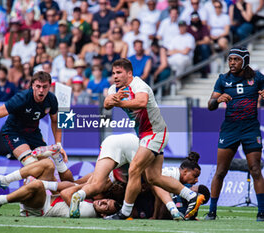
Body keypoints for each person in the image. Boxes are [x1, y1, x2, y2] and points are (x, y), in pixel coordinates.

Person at [100, 58, 204, 220]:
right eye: (113, 73)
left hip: (155, 132)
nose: (115, 76)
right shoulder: (115, 88)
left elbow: (142, 102)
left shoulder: (139, 85)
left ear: (129, 73)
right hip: (145, 135)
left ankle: (124, 213)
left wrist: (119, 103)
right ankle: (191, 195)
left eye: (119, 72)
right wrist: (112, 99)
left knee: (134, 169)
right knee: (153, 178)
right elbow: (106, 104)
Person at [0, 71, 72, 181]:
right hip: (13, 132)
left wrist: (59, 144)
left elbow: (55, 121)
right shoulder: (22, 98)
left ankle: (56, 194)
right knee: (35, 165)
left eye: (44, 87)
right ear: (32, 86)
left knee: (48, 167)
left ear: (49, 86)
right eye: (38, 86)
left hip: (33, 133)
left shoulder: (52, 99)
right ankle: (6, 180)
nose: (41, 90)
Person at [206, 47, 264, 222]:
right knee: (220, 171)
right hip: (230, 129)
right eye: (230, 59)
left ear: (244, 61)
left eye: (236, 59)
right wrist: (217, 100)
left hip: (250, 128)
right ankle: (212, 212)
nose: (232, 62)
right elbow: (210, 105)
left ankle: (261, 212)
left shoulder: (258, 78)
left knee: (255, 169)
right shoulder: (223, 79)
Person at [0, 158, 119, 218]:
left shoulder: (89, 212)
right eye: (107, 201)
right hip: (47, 198)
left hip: (40, 208)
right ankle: (6, 180)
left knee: (37, 184)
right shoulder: (92, 197)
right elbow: (70, 185)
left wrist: (88, 185)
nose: (104, 203)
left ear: (104, 215)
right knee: (48, 164)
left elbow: (67, 192)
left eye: (106, 208)